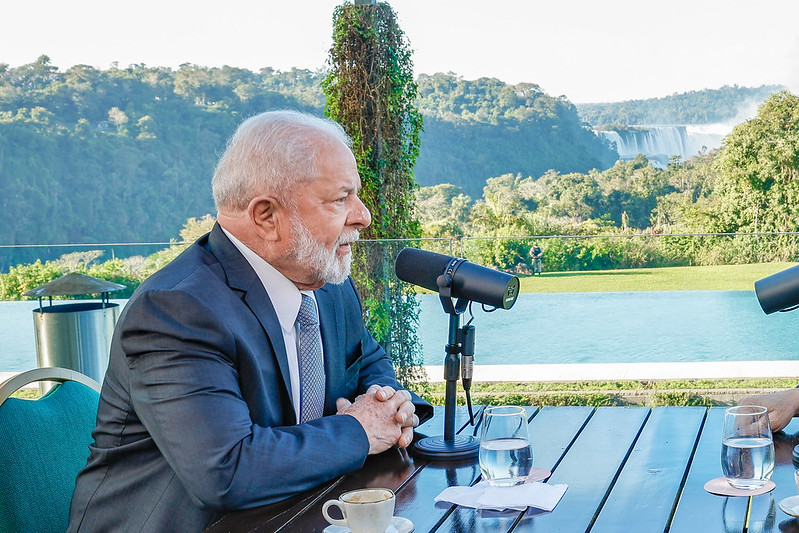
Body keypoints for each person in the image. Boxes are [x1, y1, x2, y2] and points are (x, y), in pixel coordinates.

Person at [68, 110, 433, 532]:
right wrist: (360, 431)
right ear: (266, 216)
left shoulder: (328, 283)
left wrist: (392, 410)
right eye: (340, 199)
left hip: (302, 514)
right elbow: (227, 470)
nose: (363, 215)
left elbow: (370, 365)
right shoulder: (174, 310)